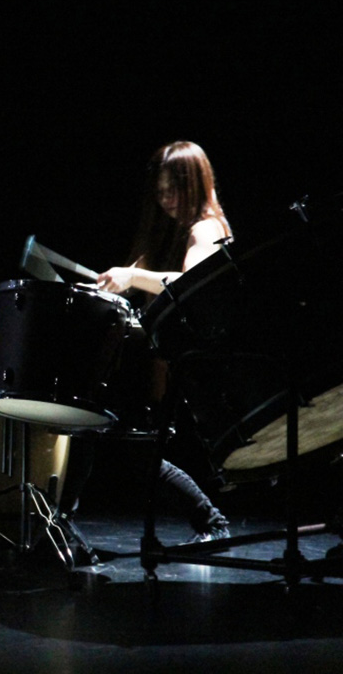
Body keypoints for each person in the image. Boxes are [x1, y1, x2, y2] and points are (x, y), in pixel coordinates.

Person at [62, 141, 232, 544]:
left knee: (102, 435)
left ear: (195, 184)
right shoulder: (170, 231)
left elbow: (191, 284)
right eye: (160, 191)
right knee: (111, 440)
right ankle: (61, 524)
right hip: (156, 358)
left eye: (174, 189)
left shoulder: (206, 228)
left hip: (182, 363)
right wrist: (114, 282)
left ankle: (212, 522)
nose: (166, 199)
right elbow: (137, 277)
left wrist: (133, 277)